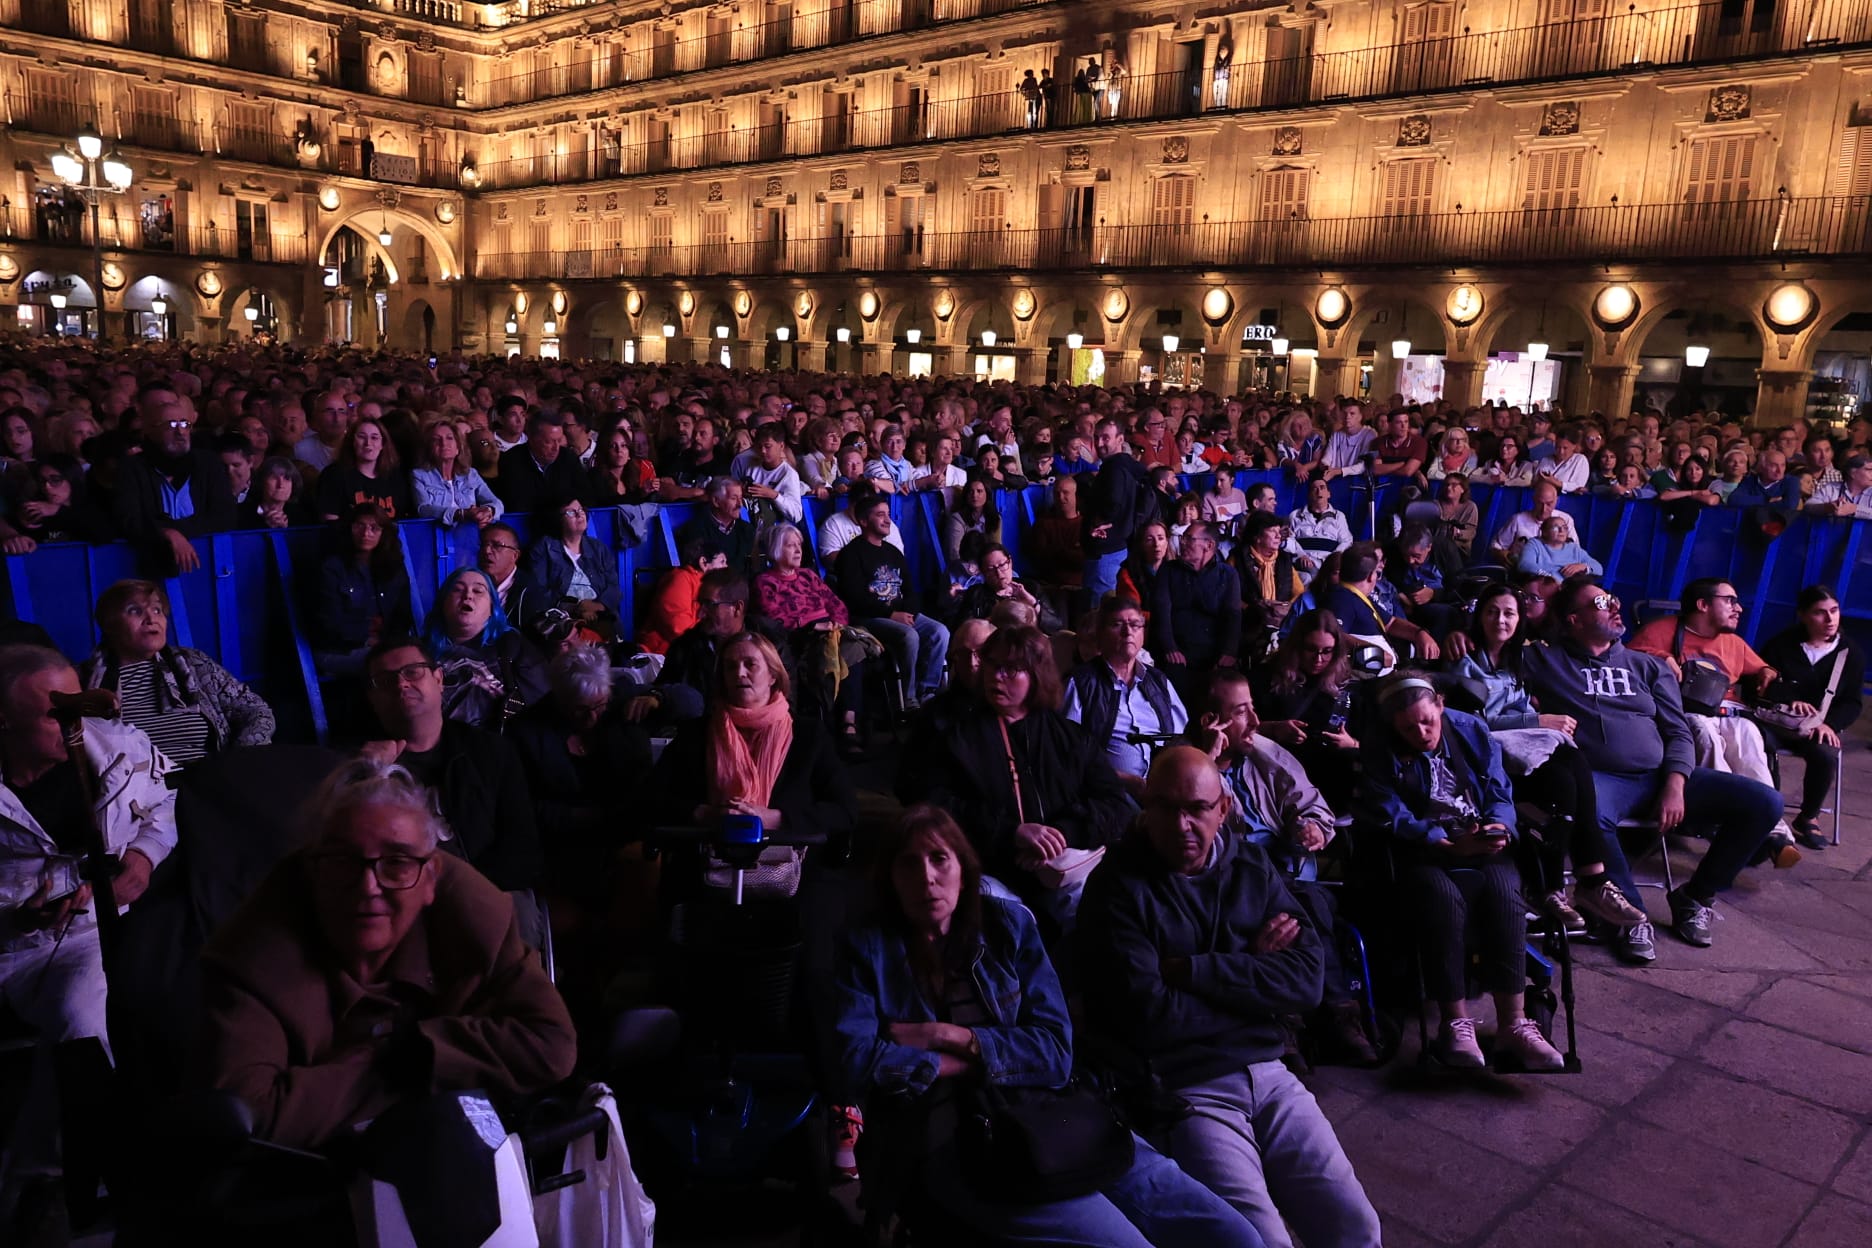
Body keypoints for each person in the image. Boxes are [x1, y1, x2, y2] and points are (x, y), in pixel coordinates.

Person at [827, 806, 1264, 1248]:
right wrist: (995, 1061)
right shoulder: (867, 949)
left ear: (963, 867)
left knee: (1234, 1235)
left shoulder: (1008, 927)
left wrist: (949, 1038)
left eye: (939, 859)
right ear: (890, 877)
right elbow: (855, 1063)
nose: (926, 877)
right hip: (954, 1141)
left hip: (1058, 1112)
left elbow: (1056, 1052)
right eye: (908, 863)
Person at [1075, 747, 1382, 1246]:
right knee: (1258, 1241)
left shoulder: (1250, 865)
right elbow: (1152, 1017)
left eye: (1196, 808)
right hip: (1187, 1085)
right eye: (1166, 808)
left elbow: (1306, 982)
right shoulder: (1116, 890)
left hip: (1270, 1071)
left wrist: (1194, 969)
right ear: (1145, 809)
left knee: (1355, 1225)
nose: (1181, 825)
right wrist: (1255, 971)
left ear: (1223, 808)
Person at [196, 757, 576, 1150]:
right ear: (312, 873)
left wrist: (417, 1050)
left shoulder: (476, 921)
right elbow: (249, 1116)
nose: (368, 887)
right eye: (343, 862)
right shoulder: (255, 956)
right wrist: (397, 1063)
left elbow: (551, 1046)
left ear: (431, 880)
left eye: (396, 863)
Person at [1519, 578, 1781, 960]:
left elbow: (1678, 731)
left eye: (1612, 597)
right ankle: (1629, 915)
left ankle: (1695, 896)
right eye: (1600, 602)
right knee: (1588, 811)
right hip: (1600, 781)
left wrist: (1676, 783)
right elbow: (1492, 652)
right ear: (1573, 620)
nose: (1614, 605)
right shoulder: (1545, 660)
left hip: (1660, 775)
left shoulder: (1646, 666)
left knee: (1765, 803)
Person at [0, 645, 176, 1199]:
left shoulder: (117, 748)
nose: (76, 724)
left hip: (94, 932)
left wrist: (143, 859)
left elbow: (163, 804)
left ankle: (56, 1180)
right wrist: (16, 914)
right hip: (17, 946)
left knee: (87, 1025)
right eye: (56, 714)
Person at [1359, 677, 1567, 1071]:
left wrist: (1499, 828)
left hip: (1478, 835)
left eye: (1427, 722)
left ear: (1439, 705)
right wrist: (1442, 842)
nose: (1421, 734)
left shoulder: (1470, 729)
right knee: (1443, 898)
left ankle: (1514, 1023)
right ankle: (1455, 1022)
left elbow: (1499, 792)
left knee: (1506, 894)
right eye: (1408, 728)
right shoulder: (1379, 745)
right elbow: (1389, 810)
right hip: (1422, 848)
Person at [1192, 671, 1379, 1064]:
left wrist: (1310, 824)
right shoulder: (1186, 767)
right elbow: (1192, 834)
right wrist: (1208, 760)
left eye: (1253, 708)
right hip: (1230, 880)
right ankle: (1296, 1019)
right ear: (1213, 721)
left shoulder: (1262, 752)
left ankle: (1329, 1015)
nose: (1257, 722)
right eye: (1242, 712)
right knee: (1286, 907)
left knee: (1311, 901)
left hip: (1285, 870)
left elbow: (1306, 798)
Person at [1448, 584, 1649, 931]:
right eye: (1492, 611)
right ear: (1479, 616)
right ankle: (1569, 885)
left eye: (1510, 613)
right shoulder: (1463, 662)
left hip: (1520, 752)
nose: (1501, 620)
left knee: (1571, 768)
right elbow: (1469, 723)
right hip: (1485, 761)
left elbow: (1558, 624)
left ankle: (1584, 883)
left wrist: (1537, 723)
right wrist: (1534, 720)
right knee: (1562, 780)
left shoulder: (1520, 661)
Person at [914, 626, 1133, 920]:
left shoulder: (1071, 738)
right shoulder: (957, 739)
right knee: (996, 911)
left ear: (1036, 675)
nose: (996, 675)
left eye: (1011, 669)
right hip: (991, 869)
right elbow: (936, 806)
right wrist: (1012, 833)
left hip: (1063, 870)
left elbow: (1115, 805)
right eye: (992, 665)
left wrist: (1061, 834)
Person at [651, 632, 857, 861]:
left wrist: (775, 819)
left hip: (790, 873)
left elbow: (844, 810)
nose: (739, 673)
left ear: (773, 675)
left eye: (750, 664)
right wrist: (705, 814)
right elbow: (651, 800)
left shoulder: (809, 735)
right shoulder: (696, 733)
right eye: (730, 667)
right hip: (703, 867)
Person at [360, 638, 542, 894]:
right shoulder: (361, 767)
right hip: (406, 900)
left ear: (438, 680)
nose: (401, 684)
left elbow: (522, 846)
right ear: (373, 699)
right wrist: (367, 778)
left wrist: (463, 890)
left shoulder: (491, 751)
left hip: (492, 891)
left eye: (412, 672)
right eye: (386, 681)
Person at [508, 645, 655, 914]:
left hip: (626, 839)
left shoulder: (620, 704)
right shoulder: (527, 733)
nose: (592, 717)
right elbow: (525, 807)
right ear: (558, 699)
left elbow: (691, 703)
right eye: (580, 710)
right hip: (561, 848)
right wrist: (590, 817)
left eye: (599, 706)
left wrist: (659, 697)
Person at [80, 579, 274, 765]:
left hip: (210, 781)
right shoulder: (84, 680)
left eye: (157, 610)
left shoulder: (193, 664)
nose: (151, 619)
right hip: (135, 793)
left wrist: (239, 762)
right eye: (135, 611)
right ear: (110, 625)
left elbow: (257, 711)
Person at [1758, 585, 1864, 849]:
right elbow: (1756, 683)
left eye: (1834, 611)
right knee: (1758, 744)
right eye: (1820, 613)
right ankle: (1769, 812)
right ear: (1803, 616)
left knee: (1825, 753)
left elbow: (1853, 702)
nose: (1830, 620)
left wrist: (1831, 724)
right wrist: (1787, 698)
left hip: (1818, 727)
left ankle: (1808, 818)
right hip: (1777, 722)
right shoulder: (1781, 644)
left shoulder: (1850, 653)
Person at [753, 522, 868, 752]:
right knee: (839, 652)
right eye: (790, 546)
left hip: (830, 630)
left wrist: (836, 623)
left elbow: (836, 604)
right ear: (776, 549)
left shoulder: (808, 576)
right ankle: (840, 725)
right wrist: (811, 626)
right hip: (800, 636)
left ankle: (848, 720)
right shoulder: (765, 582)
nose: (798, 550)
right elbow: (774, 619)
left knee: (855, 646)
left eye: (799, 545)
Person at [1063, 595, 1189, 797]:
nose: (1128, 632)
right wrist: (1127, 780)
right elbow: (1069, 754)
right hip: (1108, 792)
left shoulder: (1158, 681)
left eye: (1135, 625)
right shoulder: (1081, 682)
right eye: (1117, 624)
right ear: (1101, 635)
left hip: (1165, 791)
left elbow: (1179, 737)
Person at [836, 492, 949, 708]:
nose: (888, 520)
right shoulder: (850, 554)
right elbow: (853, 597)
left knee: (940, 632)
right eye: (880, 515)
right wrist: (891, 614)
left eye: (888, 514)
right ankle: (908, 698)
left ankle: (928, 691)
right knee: (909, 636)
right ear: (863, 521)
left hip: (901, 614)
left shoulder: (893, 552)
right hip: (870, 619)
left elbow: (910, 589)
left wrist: (909, 612)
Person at [113, 399, 237, 574]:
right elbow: (129, 520)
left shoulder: (208, 463)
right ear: (150, 431)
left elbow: (225, 515)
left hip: (205, 564)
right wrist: (165, 533)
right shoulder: (132, 468)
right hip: (147, 567)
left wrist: (174, 531)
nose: (181, 432)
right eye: (171, 424)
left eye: (185, 424)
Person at [422, 566, 547, 728]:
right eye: (458, 590)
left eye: (478, 591)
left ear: (492, 608)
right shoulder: (421, 652)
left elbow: (542, 708)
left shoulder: (513, 646)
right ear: (443, 604)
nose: (467, 596)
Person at [314, 503, 413, 677]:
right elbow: (328, 625)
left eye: (374, 528)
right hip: (340, 651)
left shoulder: (394, 567)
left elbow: (402, 617)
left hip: (384, 645)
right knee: (391, 663)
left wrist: (386, 641)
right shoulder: (333, 568)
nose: (366, 533)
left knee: (420, 658)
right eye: (359, 526)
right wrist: (367, 638)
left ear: (383, 533)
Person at [1151, 522, 1241, 693]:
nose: (1182, 543)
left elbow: (1233, 616)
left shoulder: (1228, 575)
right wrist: (1170, 647)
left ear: (1209, 545)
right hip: (1177, 649)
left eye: (1189, 539)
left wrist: (1229, 652)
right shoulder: (1168, 570)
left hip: (1213, 651)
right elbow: (1161, 612)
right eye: (1182, 538)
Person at [519, 495, 622, 635]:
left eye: (581, 509)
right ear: (558, 519)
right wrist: (576, 607)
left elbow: (613, 587)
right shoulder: (544, 547)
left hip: (598, 615)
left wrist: (597, 606)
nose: (579, 514)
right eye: (571, 512)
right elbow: (539, 592)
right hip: (561, 618)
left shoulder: (598, 548)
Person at [1325, 541, 1438, 667]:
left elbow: (1391, 623)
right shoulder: (1341, 598)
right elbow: (1333, 636)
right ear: (1370, 577)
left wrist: (1419, 633)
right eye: (1376, 573)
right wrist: (1373, 653)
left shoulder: (1361, 598)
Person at [1081, 418, 1152, 599]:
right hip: (1119, 547)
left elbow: (1113, 503)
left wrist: (1099, 521)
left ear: (1120, 440)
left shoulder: (1114, 470)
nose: (1099, 443)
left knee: (1099, 611)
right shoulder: (1130, 467)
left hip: (1106, 551)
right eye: (1096, 438)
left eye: (1106, 438)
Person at [639, 535, 726, 655]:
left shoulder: (707, 586)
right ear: (704, 563)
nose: (726, 567)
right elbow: (678, 629)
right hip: (665, 653)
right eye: (722, 562)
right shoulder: (681, 580)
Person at [315, 416, 412, 522]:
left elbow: (402, 521)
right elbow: (330, 522)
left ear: (382, 444)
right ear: (352, 442)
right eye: (362, 437)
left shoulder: (395, 477)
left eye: (374, 438)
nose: (368, 443)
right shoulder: (334, 475)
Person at [950, 542, 1062, 631]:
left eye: (1002, 565)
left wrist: (1033, 603)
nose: (999, 573)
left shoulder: (1031, 587)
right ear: (982, 573)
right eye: (991, 569)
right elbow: (962, 630)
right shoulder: (976, 594)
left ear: (1010, 562)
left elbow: (1056, 626)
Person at [411, 417, 501, 527]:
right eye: (436, 439)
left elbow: (496, 502)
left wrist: (487, 511)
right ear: (429, 448)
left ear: (458, 447)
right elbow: (423, 509)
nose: (444, 443)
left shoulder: (471, 474)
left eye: (449, 438)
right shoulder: (419, 475)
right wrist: (461, 513)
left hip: (469, 534)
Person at [493, 410, 586, 515]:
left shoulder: (568, 458)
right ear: (532, 439)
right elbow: (517, 504)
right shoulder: (511, 461)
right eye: (548, 442)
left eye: (559, 440)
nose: (556, 448)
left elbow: (584, 498)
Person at [1235, 511, 1301, 642]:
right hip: (1248, 622)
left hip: (1280, 621)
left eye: (1279, 532)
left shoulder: (1284, 560)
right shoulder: (1237, 559)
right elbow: (1228, 596)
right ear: (1257, 537)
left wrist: (1284, 608)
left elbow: (1299, 593)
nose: (1278, 536)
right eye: (1272, 531)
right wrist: (1255, 609)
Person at [677, 476, 756, 573]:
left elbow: (753, 569)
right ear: (716, 501)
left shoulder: (747, 530)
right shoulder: (695, 531)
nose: (740, 504)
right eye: (734, 498)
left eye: (741, 498)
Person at [1488, 478, 1577, 564]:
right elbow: (1496, 545)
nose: (1544, 509)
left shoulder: (1566, 520)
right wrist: (1500, 553)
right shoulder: (1518, 520)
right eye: (1540, 503)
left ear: (1556, 501)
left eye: (1549, 504)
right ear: (1533, 500)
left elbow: (1576, 551)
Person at [1284, 478, 1353, 587]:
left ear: (1328, 494)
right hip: (1304, 563)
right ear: (1309, 494)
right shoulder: (1295, 515)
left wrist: (1332, 560)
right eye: (1314, 489)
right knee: (1309, 577)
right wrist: (1300, 555)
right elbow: (1289, 538)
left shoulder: (1338, 516)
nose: (1318, 492)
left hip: (1329, 562)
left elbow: (1346, 541)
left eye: (1322, 488)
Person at [587, 424, 658, 506]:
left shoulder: (633, 474)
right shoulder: (595, 476)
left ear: (629, 454)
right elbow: (607, 504)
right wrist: (640, 493)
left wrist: (649, 492)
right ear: (606, 452)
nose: (619, 450)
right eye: (613, 446)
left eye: (623, 446)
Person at [941, 475, 1001, 569]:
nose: (974, 495)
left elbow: (997, 547)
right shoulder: (957, 519)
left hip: (988, 566)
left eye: (979, 491)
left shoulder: (994, 517)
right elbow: (954, 554)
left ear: (987, 494)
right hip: (964, 568)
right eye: (970, 491)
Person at [1517, 515, 1602, 579]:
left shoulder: (1574, 549)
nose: (1561, 531)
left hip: (1572, 589)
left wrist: (1584, 567)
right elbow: (1525, 565)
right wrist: (1551, 578)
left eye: (1564, 528)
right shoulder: (1535, 544)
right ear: (1544, 532)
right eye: (1555, 528)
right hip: (1545, 586)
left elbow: (1599, 569)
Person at [1807, 452, 1872, 518]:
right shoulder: (1832, 488)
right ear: (1852, 473)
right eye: (1869, 470)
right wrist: (1827, 507)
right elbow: (1808, 506)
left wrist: (1855, 509)